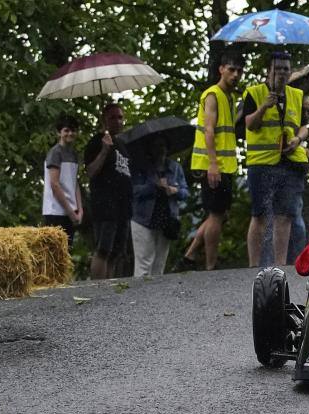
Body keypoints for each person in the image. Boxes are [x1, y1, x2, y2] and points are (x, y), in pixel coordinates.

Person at [173, 52, 244, 272]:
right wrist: (213, 164)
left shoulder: (228, 97)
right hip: (213, 164)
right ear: (221, 69)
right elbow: (209, 131)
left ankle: (190, 254)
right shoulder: (212, 94)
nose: (236, 74)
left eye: (239, 71)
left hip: (223, 164)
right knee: (215, 215)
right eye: (231, 69)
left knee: (218, 214)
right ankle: (211, 265)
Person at [243, 51, 309, 267]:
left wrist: (298, 140)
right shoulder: (254, 93)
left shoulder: (297, 96)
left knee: (285, 215)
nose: (282, 73)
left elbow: (304, 126)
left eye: (285, 69)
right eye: (278, 69)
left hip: (289, 163)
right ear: (269, 72)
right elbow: (249, 124)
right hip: (261, 163)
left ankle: (280, 265)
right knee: (260, 215)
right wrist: (264, 106)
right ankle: (253, 265)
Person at [84, 102, 132, 279]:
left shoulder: (123, 146)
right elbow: (90, 171)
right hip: (105, 206)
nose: (118, 121)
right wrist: (104, 150)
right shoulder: (96, 142)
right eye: (113, 117)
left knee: (116, 253)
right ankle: (98, 290)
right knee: (103, 250)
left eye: (120, 117)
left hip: (123, 208)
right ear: (104, 120)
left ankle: (109, 290)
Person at [130, 138, 189, 277]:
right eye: (156, 146)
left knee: (159, 264)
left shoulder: (175, 168)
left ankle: (156, 296)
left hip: (166, 220)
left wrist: (175, 191)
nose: (160, 149)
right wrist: (153, 187)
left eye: (163, 145)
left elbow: (185, 192)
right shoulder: (140, 168)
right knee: (144, 265)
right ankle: (139, 296)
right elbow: (133, 191)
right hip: (143, 219)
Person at [42, 114, 83, 248]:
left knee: (67, 253)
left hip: (70, 211)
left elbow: (74, 182)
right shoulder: (55, 153)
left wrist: (79, 209)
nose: (70, 133)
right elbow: (54, 184)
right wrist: (71, 212)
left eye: (73, 130)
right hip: (55, 211)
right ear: (59, 132)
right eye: (66, 130)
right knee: (55, 255)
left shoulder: (74, 154)